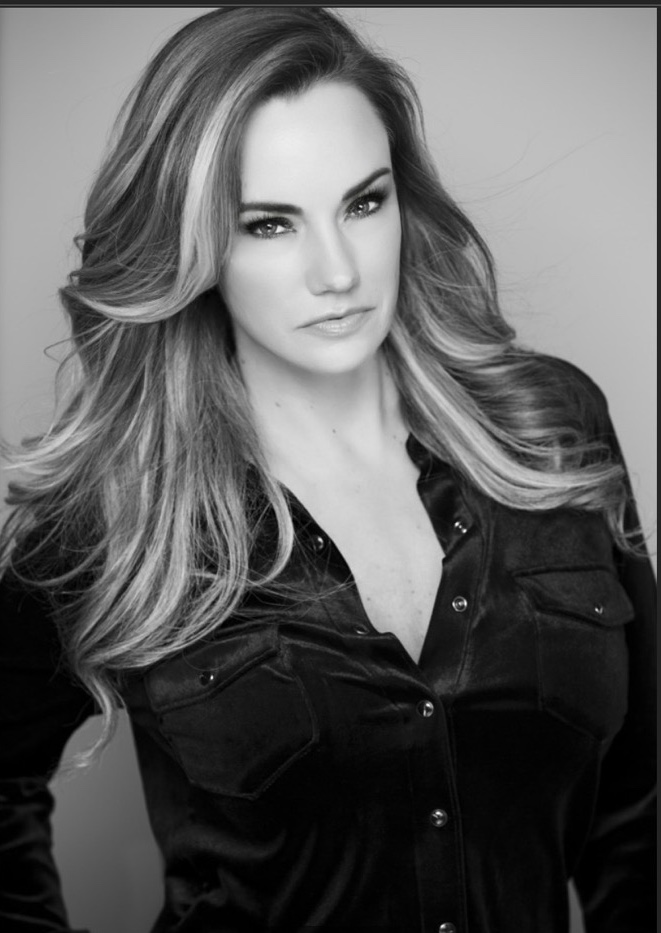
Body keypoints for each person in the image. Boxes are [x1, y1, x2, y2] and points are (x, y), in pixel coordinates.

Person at [0, 6, 655, 932]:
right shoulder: (123, 507)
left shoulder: (549, 426)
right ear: (194, 246)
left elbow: (639, 803)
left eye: (363, 203)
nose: (337, 271)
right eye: (270, 224)